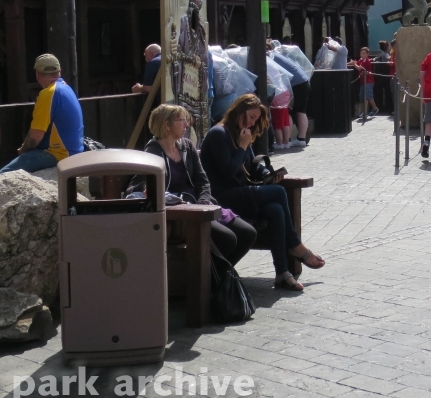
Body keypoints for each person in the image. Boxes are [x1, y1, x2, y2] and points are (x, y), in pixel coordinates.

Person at [200, 94, 324, 291]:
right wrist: (241, 147)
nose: (252, 122)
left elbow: (252, 165)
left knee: (275, 209)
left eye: (255, 119)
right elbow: (227, 172)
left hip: (241, 193)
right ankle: (294, 245)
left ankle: (282, 273)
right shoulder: (219, 134)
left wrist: (267, 172)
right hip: (222, 196)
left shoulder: (242, 133)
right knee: (278, 192)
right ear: (238, 111)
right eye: (250, 116)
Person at [130, 104, 256, 265]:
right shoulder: (153, 152)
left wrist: (202, 205)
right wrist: (145, 190)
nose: (187, 125)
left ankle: (218, 280)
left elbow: (203, 182)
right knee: (228, 239)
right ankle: (208, 284)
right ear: (167, 125)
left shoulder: (187, 146)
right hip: (179, 214)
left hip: (199, 206)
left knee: (248, 233)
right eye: (182, 120)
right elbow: (136, 184)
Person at [0, 54, 84, 174]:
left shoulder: (48, 94)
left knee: (4, 174)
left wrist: (23, 150)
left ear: (37, 74)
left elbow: (35, 136)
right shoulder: (66, 88)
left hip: (59, 154)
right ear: (59, 71)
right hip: (74, 151)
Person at [268, 43, 311, 147]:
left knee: (290, 112)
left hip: (295, 83)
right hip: (304, 80)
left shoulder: (269, 56)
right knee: (301, 111)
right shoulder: (277, 55)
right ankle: (301, 138)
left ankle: (287, 140)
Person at [349, 46, 379, 116]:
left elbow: (359, 68)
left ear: (367, 54)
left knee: (369, 96)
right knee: (364, 97)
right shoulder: (361, 60)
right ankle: (365, 111)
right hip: (363, 81)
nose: (362, 55)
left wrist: (354, 64)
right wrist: (350, 63)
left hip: (369, 81)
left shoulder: (367, 61)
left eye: (364, 53)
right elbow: (356, 63)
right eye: (361, 53)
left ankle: (375, 108)